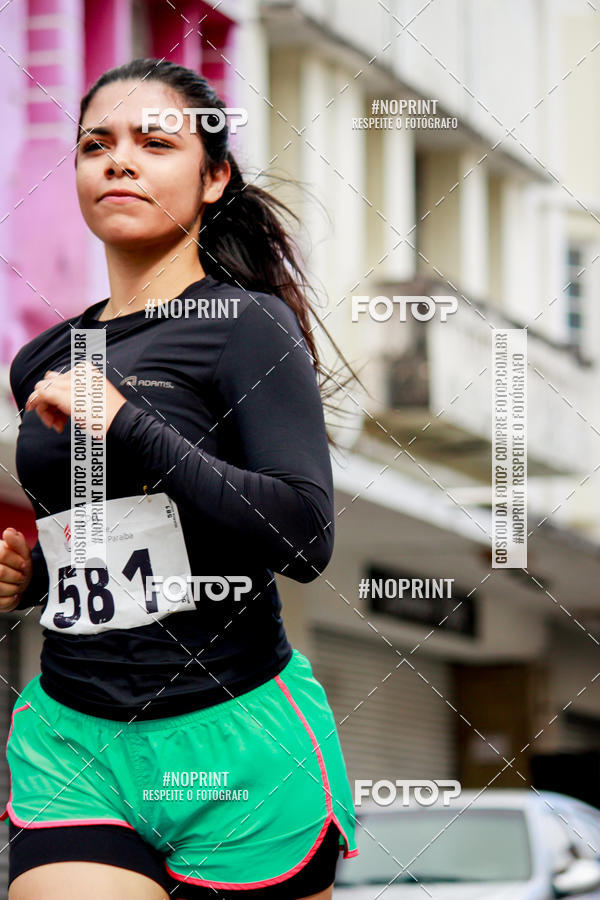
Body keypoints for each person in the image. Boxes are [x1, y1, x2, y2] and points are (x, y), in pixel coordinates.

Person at [0, 58, 358, 900]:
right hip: (76, 734)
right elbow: (128, 544)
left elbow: (302, 537)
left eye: (154, 142)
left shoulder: (246, 326)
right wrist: (32, 581)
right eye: (96, 144)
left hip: (234, 735)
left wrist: (126, 421)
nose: (118, 160)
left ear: (213, 178)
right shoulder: (42, 360)